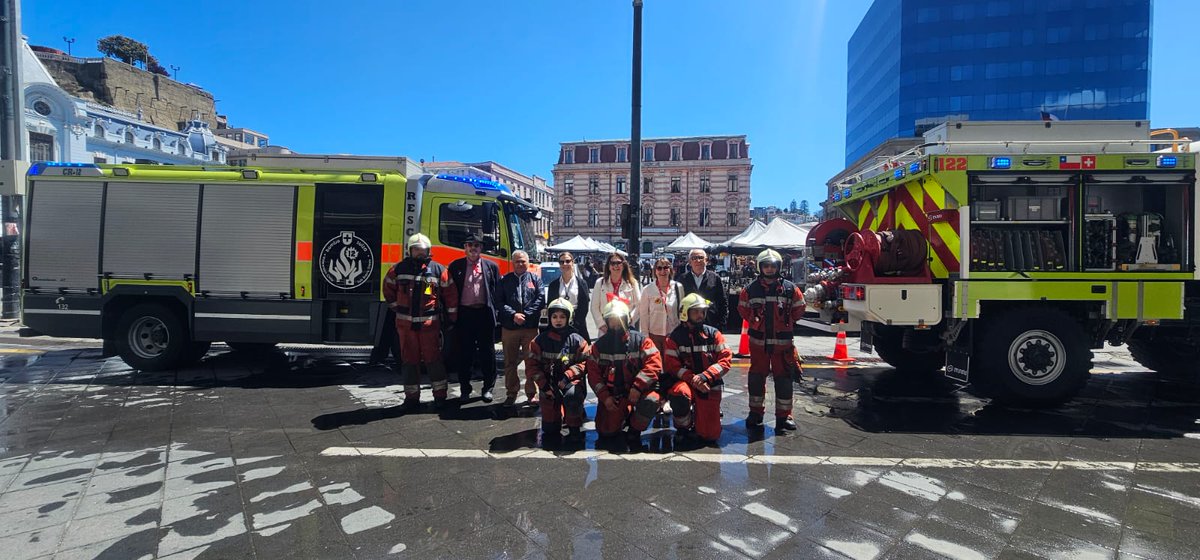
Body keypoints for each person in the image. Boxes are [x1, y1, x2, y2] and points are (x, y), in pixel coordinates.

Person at [383, 233, 458, 411]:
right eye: (416, 250)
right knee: (409, 361)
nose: (419, 253)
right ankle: (411, 398)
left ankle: (440, 396)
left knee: (434, 360)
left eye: (423, 250)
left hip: (429, 326)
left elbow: (451, 296)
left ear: (429, 251)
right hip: (406, 327)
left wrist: (451, 320)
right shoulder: (398, 269)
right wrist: (398, 309)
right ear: (410, 251)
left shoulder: (439, 270)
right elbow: (388, 290)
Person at [738, 249, 806, 431]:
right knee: (756, 378)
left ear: (778, 267)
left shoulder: (791, 288)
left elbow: (799, 309)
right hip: (758, 344)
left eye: (773, 266)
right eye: (766, 266)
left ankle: (784, 416)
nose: (769, 269)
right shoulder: (750, 289)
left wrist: (786, 321)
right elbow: (743, 309)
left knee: (784, 379)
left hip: (782, 345)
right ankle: (755, 413)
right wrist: (755, 320)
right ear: (760, 267)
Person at [585, 300, 662, 449]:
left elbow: (654, 364)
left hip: (639, 392)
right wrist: (605, 397)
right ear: (606, 322)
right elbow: (594, 376)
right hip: (614, 395)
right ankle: (623, 415)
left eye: (619, 320)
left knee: (651, 401)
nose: (616, 324)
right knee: (607, 432)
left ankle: (634, 429)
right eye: (612, 321)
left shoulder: (641, 341)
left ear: (627, 319)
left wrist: (638, 387)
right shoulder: (598, 346)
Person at [663, 294, 733, 444]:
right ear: (685, 313)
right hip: (685, 383)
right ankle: (683, 427)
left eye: (702, 311)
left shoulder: (714, 334)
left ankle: (701, 421)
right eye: (696, 311)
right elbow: (672, 366)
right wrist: (692, 378)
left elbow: (726, 359)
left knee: (710, 435)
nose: (700, 315)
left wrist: (704, 377)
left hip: (708, 383)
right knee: (679, 395)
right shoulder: (674, 338)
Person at [526, 298, 590, 443]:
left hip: (570, 384)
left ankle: (574, 427)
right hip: (549, 385)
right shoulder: (539, 341)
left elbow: (586, 363)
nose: (558, 320)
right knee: (550, 430)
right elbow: (532, 366)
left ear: (569, 318)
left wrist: (568, 376)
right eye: (554, 317)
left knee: (572, 397)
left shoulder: (578, 340)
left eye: (562, 316)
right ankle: (554, 420)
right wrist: (544, 386)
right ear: (549, 318)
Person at [448, 233, 502, 403]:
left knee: (488, 354)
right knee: (465, 354)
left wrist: (497, 314)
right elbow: (449, 291)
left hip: (484, 315)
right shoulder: (455, 266)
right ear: (465, 247)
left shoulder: (491, 266)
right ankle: (465, 389)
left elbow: (496, 292)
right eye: (469, 245)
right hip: (465, 314)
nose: (473, 248)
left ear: (481, 248)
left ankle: (488, 388)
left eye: (476, 245)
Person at [496, 250, 544, 407]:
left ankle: (531, 393)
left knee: (531, 360)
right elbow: (499, 302)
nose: (520, 264)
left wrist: (525, 315)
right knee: (510, 362)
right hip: (510, 328)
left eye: (523, 261)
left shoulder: (535, 279)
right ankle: (511, 393)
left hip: (530, 327)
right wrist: (513, 315)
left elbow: (540, 299)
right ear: (512, 263)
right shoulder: (504, 280)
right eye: (517, 261)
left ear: (528, 262)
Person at [638, 257, 685, 353]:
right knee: (656, 365)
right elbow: (643, 315)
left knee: (672, 365)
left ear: (670, 270)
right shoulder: (647, 289)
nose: (662, 271)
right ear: (655, 271)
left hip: (673, 334)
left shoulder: (678, 287)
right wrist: (645, 336)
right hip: (654, 335)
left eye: (666, 268)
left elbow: (682, 310)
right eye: (659, 268)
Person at [590, 252, 641, 335]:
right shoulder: (600, 283)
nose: (616, 266)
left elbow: (639, 304)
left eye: (619, 263)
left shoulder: (632, 283)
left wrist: (630, 319)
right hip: (605, 328)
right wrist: (601, 325)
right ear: (608, 267)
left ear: (624, 265)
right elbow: (594, 307)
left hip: (626, 327)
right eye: (612, 263)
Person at [678, 249, 728, 331]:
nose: (698, 260)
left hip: (711, 324)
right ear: (690, 262)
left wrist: (722, 323)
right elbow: (679, 302)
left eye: (700, 257)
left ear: (706, 261)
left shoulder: (715, 278)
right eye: (694, 258)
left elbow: (722, 301)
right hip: (689, 325)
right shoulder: (682, 279)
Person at [546, 251, 590, 336]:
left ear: (572, 263)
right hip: (559, 324)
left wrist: (575, 323)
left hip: (578, 324)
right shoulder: (553, 285)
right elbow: (550, 306)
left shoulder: (582, 283)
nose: (565, 264)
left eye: (567, 261)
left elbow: (584, 306)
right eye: (562, 262)